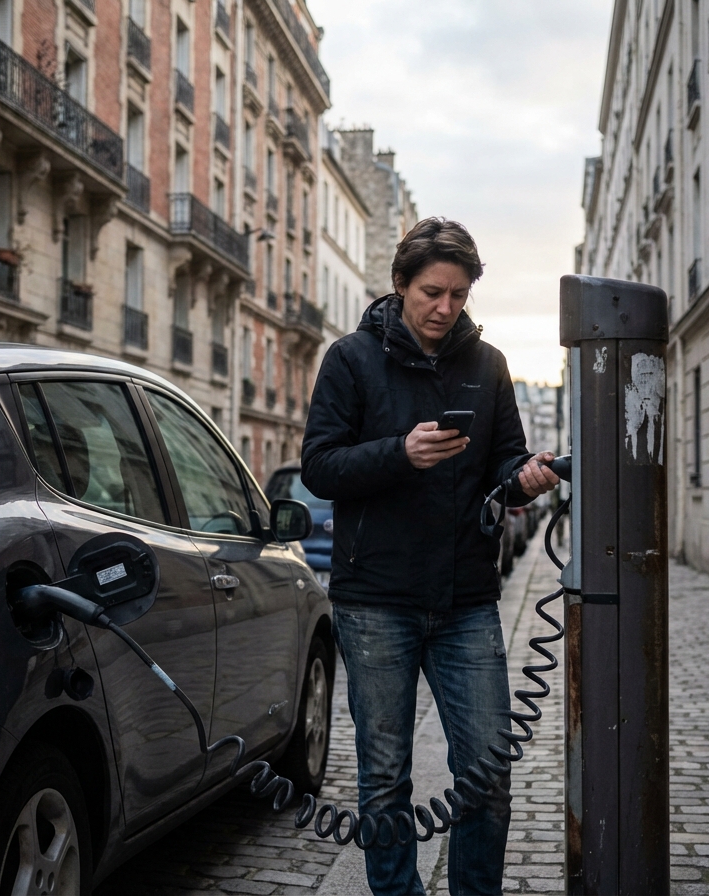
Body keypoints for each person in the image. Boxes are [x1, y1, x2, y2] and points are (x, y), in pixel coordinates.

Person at [300, 217, 559, 895]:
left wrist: (523, 477)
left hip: (466, 601)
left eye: (458, 295)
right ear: (400, 285)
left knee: (487, 773)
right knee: (384, 777)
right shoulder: (351, 359)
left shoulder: (489, 365)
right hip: (374, 601)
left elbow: (503, 461)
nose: (445, 308)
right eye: (431, 292)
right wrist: (400, 452)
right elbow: (320, 466)